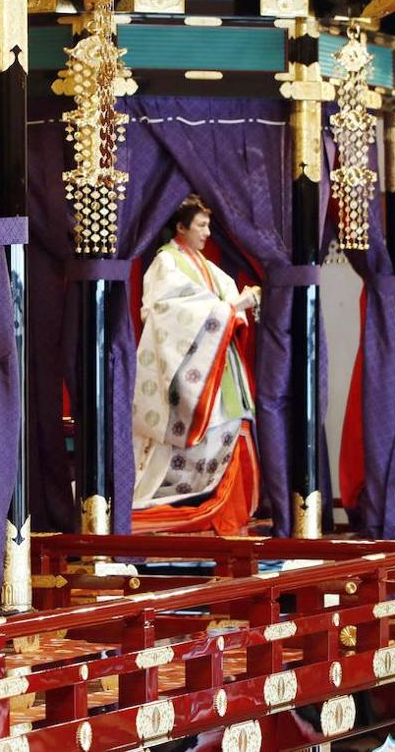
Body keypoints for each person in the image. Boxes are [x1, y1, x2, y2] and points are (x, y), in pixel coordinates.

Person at [131, 194, 260, 535]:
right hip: (194, 367)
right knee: (199, 440)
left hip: (220, 364)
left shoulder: (208, 268)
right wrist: (230, 310)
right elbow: (164, 310)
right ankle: (189, 518)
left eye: (208, 226)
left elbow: (224, 301)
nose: (207, 233)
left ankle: (230, 521)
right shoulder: (166, 263)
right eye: (201, 225)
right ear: (180, 227)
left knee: (232, 431)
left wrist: (235, 306)